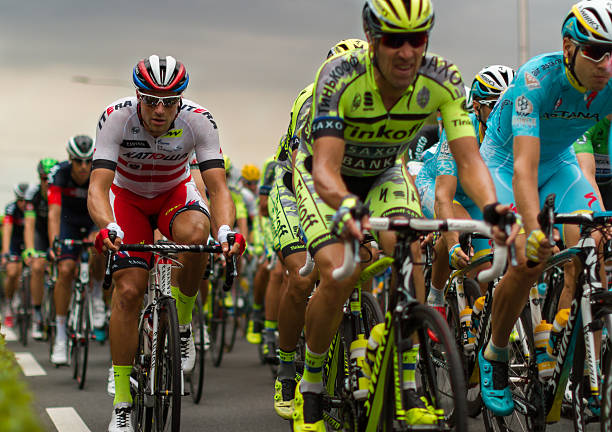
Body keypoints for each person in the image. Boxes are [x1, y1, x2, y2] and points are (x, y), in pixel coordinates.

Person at [291, 1, 511, 429]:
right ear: (372, 38)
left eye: (418, 39)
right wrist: (348, 208)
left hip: (384, 170)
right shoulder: (340, 76)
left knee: (407, 250)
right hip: (328, 176)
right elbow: (325, 169)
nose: (407, 52)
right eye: (394, 40)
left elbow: (468, 161)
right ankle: (311, 388)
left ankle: (408, 385)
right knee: (339, 271)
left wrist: (494, 209)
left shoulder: (444, 78)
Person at [88, 54, 244, 432]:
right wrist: (108, 226)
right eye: (151, 99)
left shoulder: (199, 120)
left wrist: (226, 231)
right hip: (129, 202)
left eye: (169, 101)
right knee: (128, 291)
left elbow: (219, 188)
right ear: (137, 96)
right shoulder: (115, 117)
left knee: (199, 235)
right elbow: (98, 187)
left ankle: (185, 323)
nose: (159, 110)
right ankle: (123, 399)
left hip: (176, 193)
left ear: (181, 100)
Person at [477, 0, 612, 420]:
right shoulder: (537, 79)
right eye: (595, 51)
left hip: (560, 164)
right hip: (504, 162)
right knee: (529, 257)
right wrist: (534, 229)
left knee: (598, 242)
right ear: (569, 48)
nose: (606, 63)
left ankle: (573, 344)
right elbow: (522, 168)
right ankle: (496, 352)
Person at [416, 65, 515, 315]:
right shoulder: (459, 130)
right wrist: (450, 244)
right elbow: (444, 196)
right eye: (494, 105)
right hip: (437, 185)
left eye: (509, 104)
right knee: (458, 230)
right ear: (477, 107)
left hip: (473, 199)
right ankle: (436, 295)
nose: (502, 113)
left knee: (483, 270)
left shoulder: (515, 132)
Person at [48, 136, 105, 364]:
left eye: (87, 161)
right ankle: (61, 336)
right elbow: (53, 211)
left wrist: (99, 229)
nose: (83, 167)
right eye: (78, 162)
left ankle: (98, 294)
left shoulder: (99, 170)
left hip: (92, 217)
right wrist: (55, 241)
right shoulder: (58, 173)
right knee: (65, 269)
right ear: (70, 159)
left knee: (100, 248)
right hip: (68, 221)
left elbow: (106, 202)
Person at [23, 158, 59, 339]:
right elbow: (29, 224)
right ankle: (37, 313)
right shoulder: (33, 193)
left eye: (50, 178)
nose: (47, 182)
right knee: (37, 267)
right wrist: (30, 249)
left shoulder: (61, 189)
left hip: (58, 231)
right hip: (39, 233)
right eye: (44, 178)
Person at [1, 183, 29, 328]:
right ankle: (8, 302)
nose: (23, 204)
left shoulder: (33, 208)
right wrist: (5, 253)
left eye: (26, 200)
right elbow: (7, 230)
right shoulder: (11, 209)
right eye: (20, 200)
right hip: (14, 243)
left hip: (29, 242)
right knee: (12, 272)